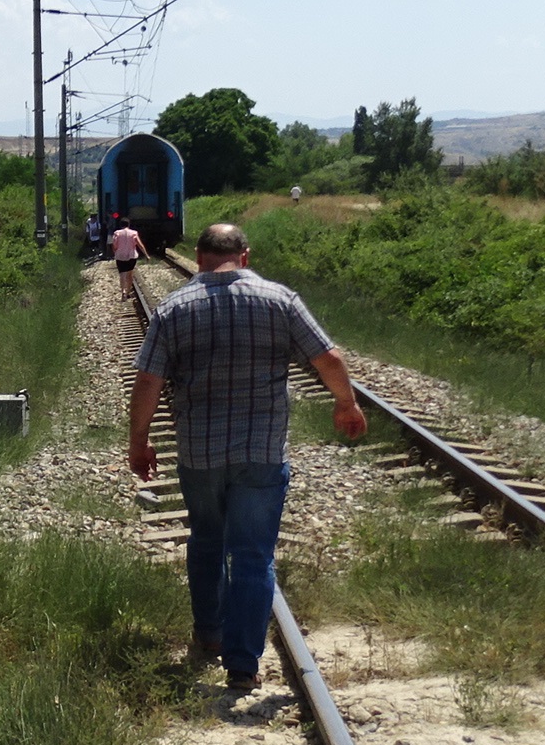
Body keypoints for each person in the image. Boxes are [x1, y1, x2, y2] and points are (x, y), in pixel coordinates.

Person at [127, 221, 367, 694]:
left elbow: (148, 382)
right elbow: (329, 360)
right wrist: (346, 403)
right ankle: (242, 665)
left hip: (200, 450)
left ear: (198, 257)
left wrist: (139, 439)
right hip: (260, 450)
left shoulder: (174, 308)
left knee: (207, 541)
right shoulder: (281, 301)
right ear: (246, 256)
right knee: (253, 556)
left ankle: (209, 633)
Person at [108, 217, 144, 296]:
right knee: (129, 274)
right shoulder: (134, 233)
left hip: (120, 256)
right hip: (131, 256)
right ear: (129, 224)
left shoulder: (116, 233)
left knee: (122, 275)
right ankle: (128, 291)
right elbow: (140, 245)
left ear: (120, 225)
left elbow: (114, 245)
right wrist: (146, 255)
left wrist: (115, 251)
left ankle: (123, 291)